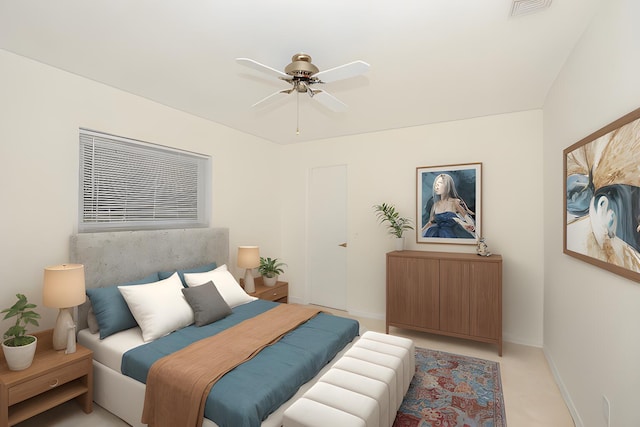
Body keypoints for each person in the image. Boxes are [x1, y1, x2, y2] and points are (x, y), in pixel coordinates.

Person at [421, 173, 476, 238]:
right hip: (434, 234)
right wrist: (420, 231)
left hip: (450, 234)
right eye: (436, 184)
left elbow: (466, 216)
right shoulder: (435, 205)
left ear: (447, 185)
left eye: (440, 183)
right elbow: (430, 222)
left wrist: (471, 226)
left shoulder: (455, 202)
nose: (436, 186)